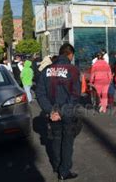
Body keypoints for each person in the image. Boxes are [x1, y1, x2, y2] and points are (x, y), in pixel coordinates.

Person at [36, 43, 81, 181]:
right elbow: (75, 95)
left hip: (53, 112)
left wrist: (51, 111)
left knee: (56, 140)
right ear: (70, 54)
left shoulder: (46, 71)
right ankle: (64, 171)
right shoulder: (73, 70)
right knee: (67, 141)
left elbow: (40, 93)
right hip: (66, 112)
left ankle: (57, 166)